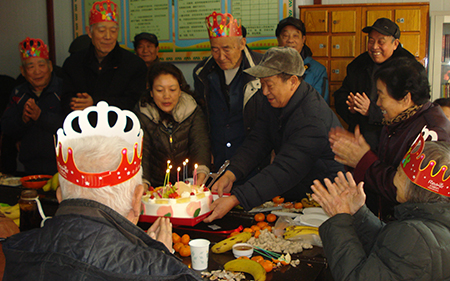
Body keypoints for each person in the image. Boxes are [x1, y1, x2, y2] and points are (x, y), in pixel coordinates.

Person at [0, 102, 209, 281]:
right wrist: (160, 263)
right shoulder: (169, 280)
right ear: (138, 199)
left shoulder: (13, 253)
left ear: (60, 196)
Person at [204, 47, 344, 223]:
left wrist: (235, 199)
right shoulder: (275, 101)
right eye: (261, 84)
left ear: (292, 81)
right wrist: (231, 173)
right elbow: (258, 141)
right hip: (296, 191)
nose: (264, 91)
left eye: (269, 85)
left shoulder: (311, 118)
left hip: (324, 197)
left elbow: (286, 169)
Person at [311, 136, 450, 281]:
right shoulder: (433, 224)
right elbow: (392, 252)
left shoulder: (416, 238)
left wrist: (340, 220)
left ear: (412, 183)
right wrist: (358, 212)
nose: (394, 179)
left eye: (399, 171)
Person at [330, 57, 450, 218]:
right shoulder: (399, 119)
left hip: (412, 228)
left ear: (405, 98)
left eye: (381, 95)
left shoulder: (431, 132)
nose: (377, 103)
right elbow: (385, 167)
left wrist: (364, 161)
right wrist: (354, 158)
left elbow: (407, 190)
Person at [193, 11, 265, 175]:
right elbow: (202, 116)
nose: (221, 56)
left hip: (255, 159)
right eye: (215, 49)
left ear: (242, 43)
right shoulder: (202, 73)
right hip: (218, 157)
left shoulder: (262, 69)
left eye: (227, 48)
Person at [334, 18, 416, 151]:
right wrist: (350, 106)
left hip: (393, 143)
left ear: (395, 44)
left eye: (381, 42)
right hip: (360, 140)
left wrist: (371, 111)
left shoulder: (409, 69)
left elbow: (410, 111)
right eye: (371, 41)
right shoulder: (358, 64)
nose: (374, 47)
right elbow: (341, 95)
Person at [61, 0, 147, 113]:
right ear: (90, 32)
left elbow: (133, 101)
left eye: (113, 30)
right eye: (101, 30)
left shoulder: (135, 65)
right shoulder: (72, 63)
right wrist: (77, 103)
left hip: (119, 127)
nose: (108, 36)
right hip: (82, 127)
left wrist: (95, 103)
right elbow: (65, 100)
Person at [134, 62, 210, 187]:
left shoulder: (192, 110)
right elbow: (143, 153)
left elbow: (200, 145)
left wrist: (200, 174)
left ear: (180, 90)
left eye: (172, 89)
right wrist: (143, 183)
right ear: (151, 92)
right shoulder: (143, 114)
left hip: (188, 184)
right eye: (159, 90)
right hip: (155, 185)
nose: (166, 96)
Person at [1, 37, 64, 175]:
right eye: (30, 67)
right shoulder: (18, 93)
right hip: (29, 169)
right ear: (23, 71)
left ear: (50, 66)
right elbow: (6, 127)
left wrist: (40, 116)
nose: (37, 71)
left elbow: (72, 124)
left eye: (41, 65)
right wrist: (22, 120)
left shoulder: (63, 89)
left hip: (62, 167)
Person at [276, 17, 329, 103]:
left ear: (303, 40)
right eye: (285, 36)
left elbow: (320, 104)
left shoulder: (318, 70)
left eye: (295, 36)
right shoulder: (269, 67)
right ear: (278, 39)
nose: (290, 40)